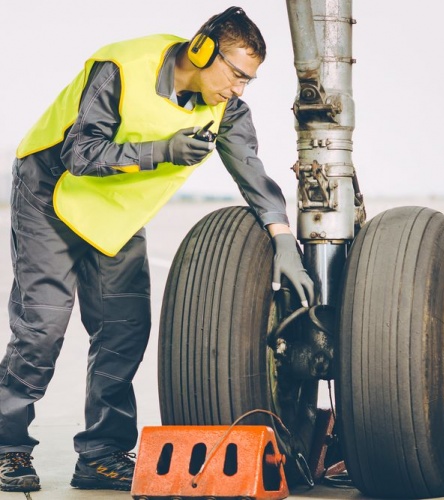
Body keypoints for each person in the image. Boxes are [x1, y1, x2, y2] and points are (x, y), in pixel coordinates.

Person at [0, 5, 314, 493]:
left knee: (124, 332)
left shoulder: (224, 108)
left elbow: (252, 173)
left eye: (248, 81)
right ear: (202, 49)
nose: (239, 89)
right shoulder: (122, 68)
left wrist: (282, 239)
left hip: (114, 214)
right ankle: (7, 447)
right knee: (42, 326)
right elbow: (80, 155)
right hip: (49, 192)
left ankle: (102, 455)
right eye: (236, 75)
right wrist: (163, 151)